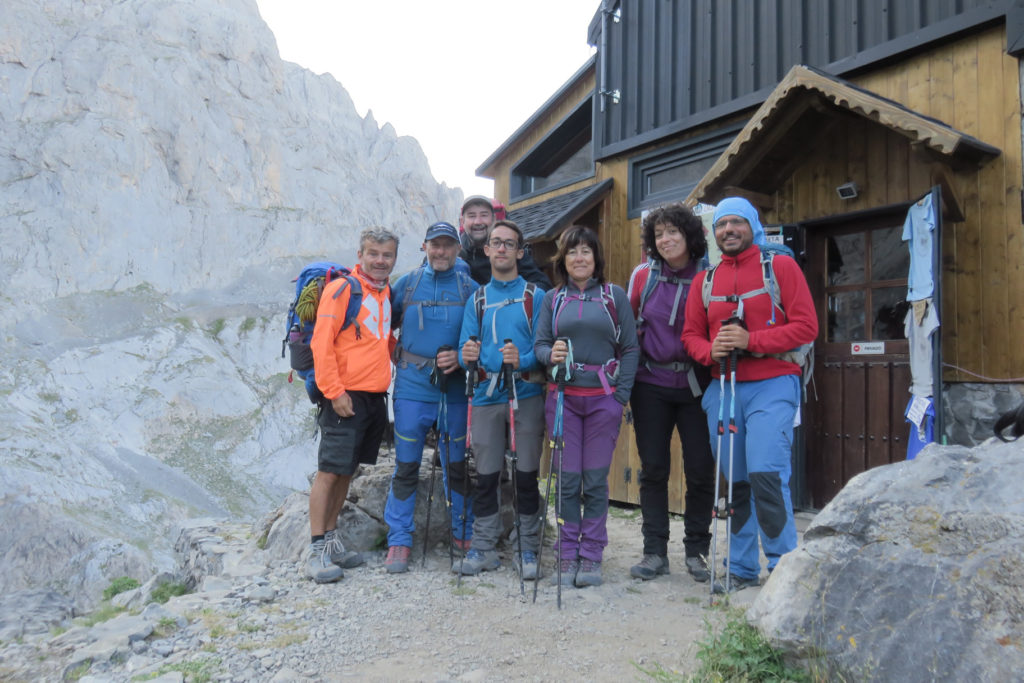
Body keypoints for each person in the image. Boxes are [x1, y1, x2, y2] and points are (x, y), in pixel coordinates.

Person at [681, 197, 817, 592]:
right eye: (721, 225)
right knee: (734, 482)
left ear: (752, 226)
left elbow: (807, 327)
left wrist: (750, 340)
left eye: (737, 223)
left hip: (773, 384)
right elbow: (690, 335)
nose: (728, 231)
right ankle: (741, 568)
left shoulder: (781, 267)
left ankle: (782, 569)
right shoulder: (704, 281)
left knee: (766, 475)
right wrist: (711, 351)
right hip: (723, 387)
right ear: (714, 233)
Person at [534, 226, 639, 587]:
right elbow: (540, 345)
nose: (580, 258)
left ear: (596, 259)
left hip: (602, 402)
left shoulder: (614, 296)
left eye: (586, 251)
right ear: (563, 260)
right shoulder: (553, 299)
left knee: (594, 481)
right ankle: (566, 553)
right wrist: (552, 355)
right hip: (562, 398)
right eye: (573, 252)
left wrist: (620, 397)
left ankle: (591, 554)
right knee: (566, 479)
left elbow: (630, 349)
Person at [625, 204, 716, 584]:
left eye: (673, 232)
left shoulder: (710, 276)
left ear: (689, 235)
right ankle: (654, 552)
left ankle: (697, 552)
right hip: (651, 385)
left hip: (698, 384)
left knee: (699, 469)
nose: (665, 240)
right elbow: (628, 328)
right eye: (659, 234)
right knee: (654, 469)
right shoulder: (643, 276)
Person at [382, 221, 477, 573]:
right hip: (411, 388)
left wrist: (463, 357)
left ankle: (463, 531)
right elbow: (380, 325)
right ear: (424, 247)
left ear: (457, 249)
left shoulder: (470, 288)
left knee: (455, 465)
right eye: (435, 245)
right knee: (405, 465)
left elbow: (480, 339)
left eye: (448, 246)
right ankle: (399, 540)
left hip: (453, 389)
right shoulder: (406, 285)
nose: (441, 252)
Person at [454, 220, 547, 578]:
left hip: (525, 394)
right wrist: (468, 353)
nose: (503, 249)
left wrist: (520, 360)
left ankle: (527, 549)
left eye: (510, 244)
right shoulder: (477, 299)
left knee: (526, 475)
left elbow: (541, 348)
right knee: (486, 476)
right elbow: (465, 353)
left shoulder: (534, 297)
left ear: (520, 253)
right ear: (487, 250)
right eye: (497, 243)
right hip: (485, 395)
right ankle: (484, 547)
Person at [306, 227, 399, 583]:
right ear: (360, 255)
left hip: (374, 397)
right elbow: (321, 344)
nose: (379, 260)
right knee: (329, 471)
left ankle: (331, 541)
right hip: (345, 395)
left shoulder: (385, 292)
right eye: (373, 253)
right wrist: (334, 391)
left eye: (386, 255)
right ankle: (315, 551)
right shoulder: (342, 289)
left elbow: (383, 340)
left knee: (347, 470)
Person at [459, 195, 552, 289]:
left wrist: (509, 296)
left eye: (484, 215)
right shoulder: (457, 255)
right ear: (462, 221)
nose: (478, 222)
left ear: (494, 219)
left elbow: (542, 285)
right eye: (471, 216)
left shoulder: (509, 250)